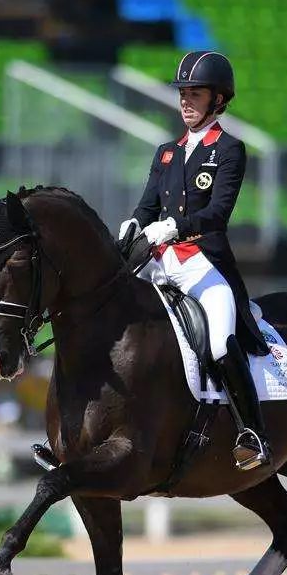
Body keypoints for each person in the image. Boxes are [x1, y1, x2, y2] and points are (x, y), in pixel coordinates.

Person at [118, 50, 272, 470]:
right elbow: (147, 206)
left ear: (219, 100)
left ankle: (251, 433)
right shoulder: (167, 152)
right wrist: (133, 224)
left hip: (203, 262)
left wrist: (174, 228)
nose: (185, 101)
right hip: (159, 262)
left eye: (196, 94)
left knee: (222, 340)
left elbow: (218, 213)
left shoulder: (229, 149)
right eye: (183, 93)